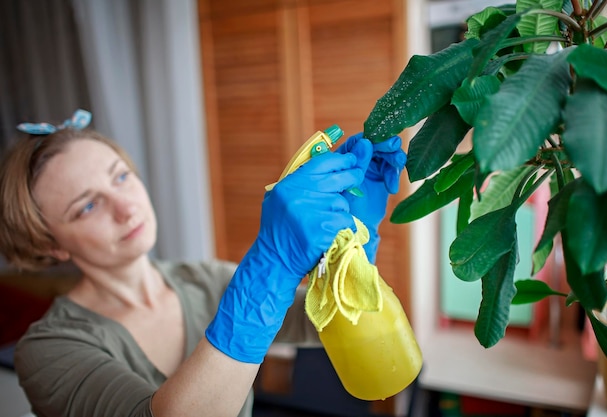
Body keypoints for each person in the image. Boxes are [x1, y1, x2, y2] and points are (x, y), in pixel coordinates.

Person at [0, 109, 406, 417]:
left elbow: (329, 324)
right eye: (88, 205)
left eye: (120, 176)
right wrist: (270, 269)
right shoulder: (47, 350)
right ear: (51, 245)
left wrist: (354, 238)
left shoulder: (205, 280)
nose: (126, 207)